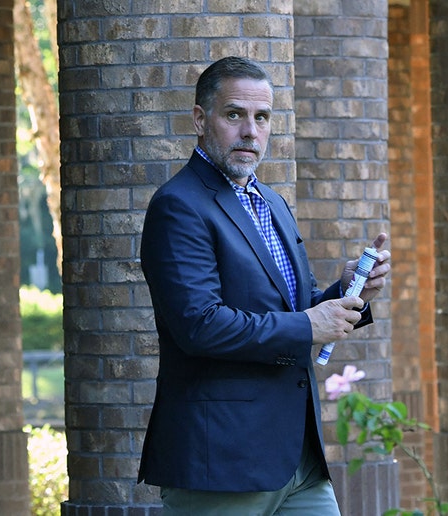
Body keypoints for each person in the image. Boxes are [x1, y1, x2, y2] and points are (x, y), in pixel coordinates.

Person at [137, 56, 391, 515]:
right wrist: (309, 323)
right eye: (234, 114)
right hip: (223, 462)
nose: (250, 131)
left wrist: (348, 291)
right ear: (200, 119)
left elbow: (298, 307)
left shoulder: (270, 201)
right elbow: (199, 325)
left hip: (298, 460)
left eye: (262, 117)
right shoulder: (178, 206)